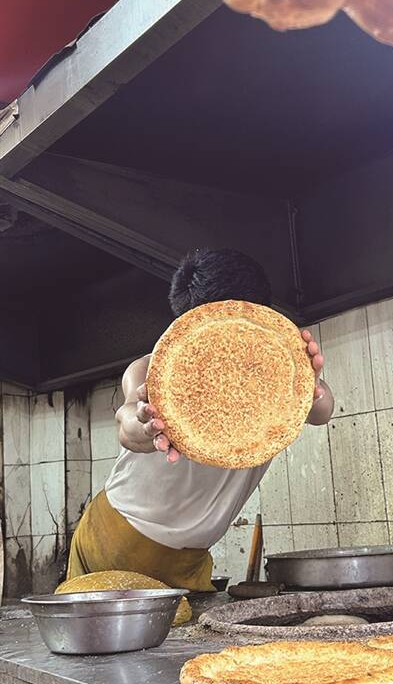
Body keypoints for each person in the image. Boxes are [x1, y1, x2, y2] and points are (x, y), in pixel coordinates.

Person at [65, 249, 334, 590]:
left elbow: (323, 411)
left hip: (189, 560)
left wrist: (310, 382)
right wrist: (146, 427)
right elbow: (127, 423)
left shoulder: (276, 378)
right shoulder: (153, 369)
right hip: (113, 537)